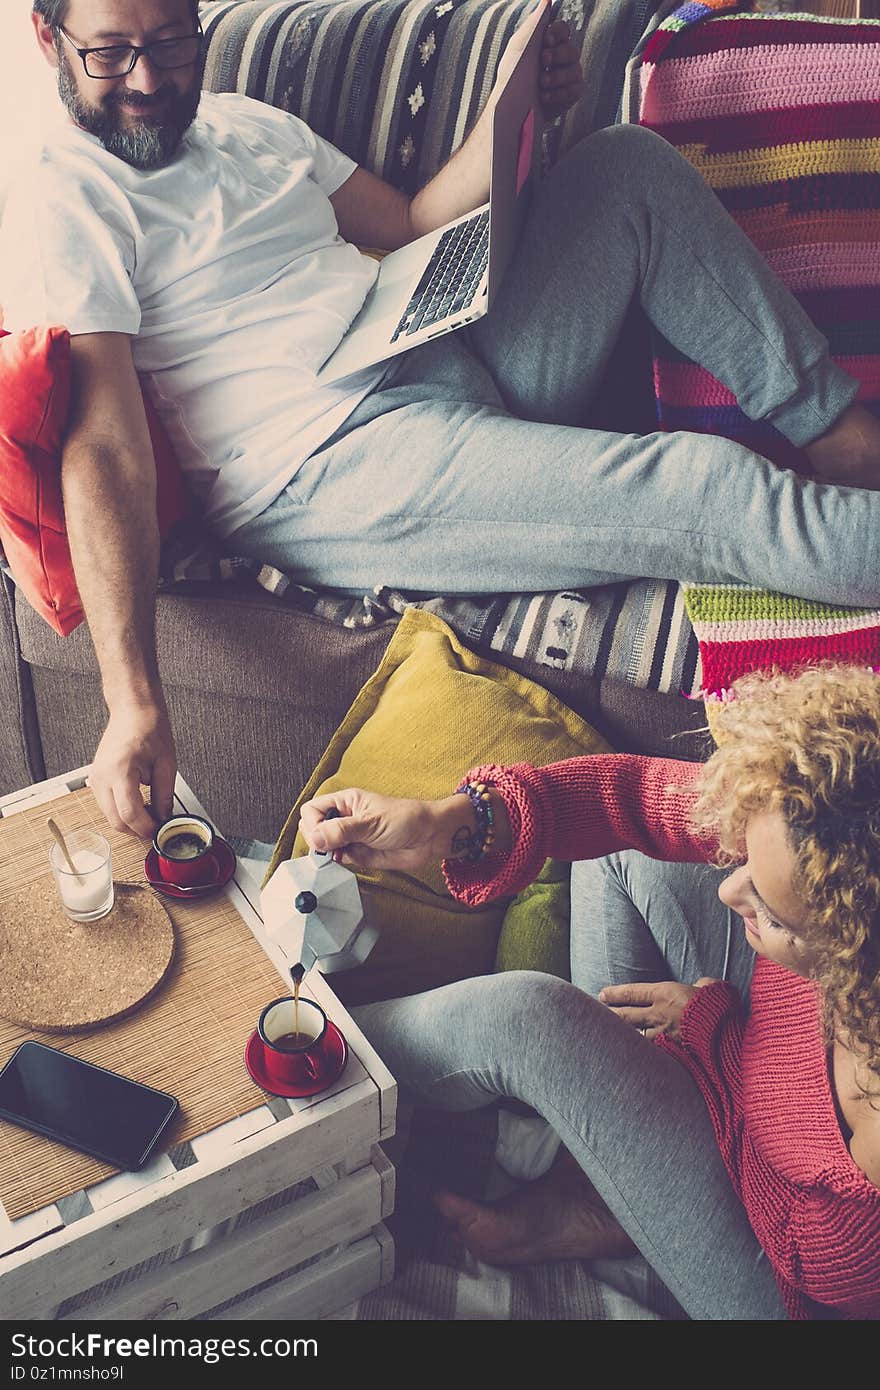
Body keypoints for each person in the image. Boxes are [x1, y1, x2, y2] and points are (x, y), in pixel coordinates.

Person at [4, 0, 880, 840]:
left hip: (431, 345)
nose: (148, 78)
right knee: (701, 485)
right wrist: (133, 702)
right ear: (49, 39)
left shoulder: (249, 123)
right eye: (111, 52)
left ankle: (838, 435)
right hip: (325, 461)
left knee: (626, 168)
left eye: (170, 43)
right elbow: (106, 445)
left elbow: (412, 219)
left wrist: (515, 105)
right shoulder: (69, 195)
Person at [298, 663, 880, 1320]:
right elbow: (629, 798)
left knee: (527, 1019)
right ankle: (604, 1184)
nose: (728, 890)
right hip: (782, 1054)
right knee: (628, 854)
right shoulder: (849, 820)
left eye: (770, 912)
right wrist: (447, 824)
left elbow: (810, 1253)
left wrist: (716, 1039)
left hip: (786, 1280)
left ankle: (288, 1068)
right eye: (744, 857)